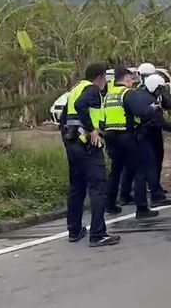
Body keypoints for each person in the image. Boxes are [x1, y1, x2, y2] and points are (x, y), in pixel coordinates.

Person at [61, 63, 121, 248]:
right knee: (98, 187)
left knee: (77, 187)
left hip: (72, 143)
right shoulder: (92, 90)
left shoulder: (75, 89)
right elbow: (81, 106)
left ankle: (75, 230)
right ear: (101, 77)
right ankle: (97, 234)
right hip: (88, 144)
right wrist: (91, 129)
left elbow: (64, 117)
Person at [104, 66, 159, 219]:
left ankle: (110, 204)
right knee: (138, 170)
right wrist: (152, 110)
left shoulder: (109, 95)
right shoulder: (128, 94)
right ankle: (142, 208)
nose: (132, 82)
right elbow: (142, 111)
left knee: (116, 170)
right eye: (131, 79)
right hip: (128, 135)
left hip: (110, 136)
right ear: (126, 78)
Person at [132, 74, 171, 207]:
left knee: (155, 162)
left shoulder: (144, 95)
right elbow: (159, 122)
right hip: (147, 134)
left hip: (149, 133)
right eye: (159, 89)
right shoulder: (149, 100)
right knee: (151, 165)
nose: (161, 93)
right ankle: (156, 196)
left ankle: (155, 190)